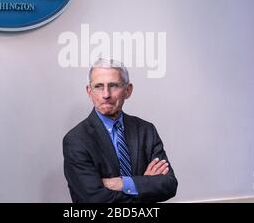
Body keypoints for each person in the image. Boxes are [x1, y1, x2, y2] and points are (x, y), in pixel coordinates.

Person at [63, 58, 178, 203]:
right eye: (98, 86)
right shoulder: (76, 140)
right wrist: (143, 184)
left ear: (128, 90)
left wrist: (122, 183)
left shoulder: (146, 130)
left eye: (113, 85)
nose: (106, 94)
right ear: (89, 91)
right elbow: (96, 200)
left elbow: (169, 184)